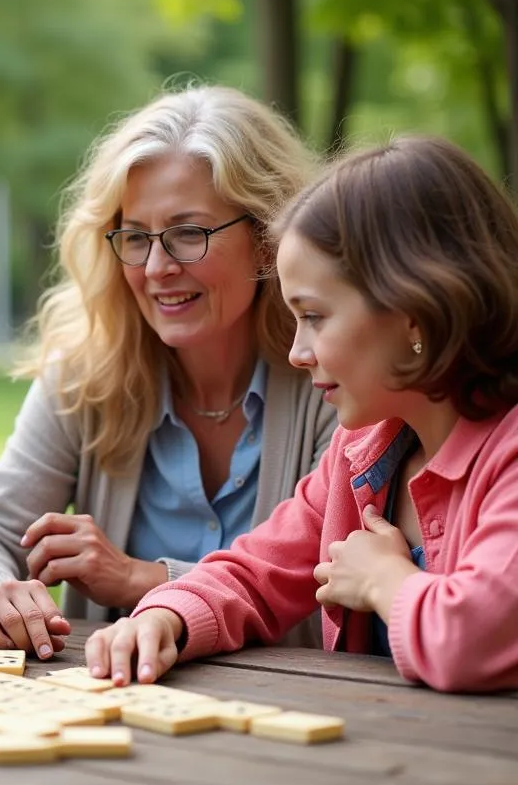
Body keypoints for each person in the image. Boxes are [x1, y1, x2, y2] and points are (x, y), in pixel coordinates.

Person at [86, 135, 518, 694]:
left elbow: (471, 638)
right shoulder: (365, 451)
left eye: (314, 316)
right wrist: (163, 617)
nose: (297, 351)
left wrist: (385, 579)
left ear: (416, 315)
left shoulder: (506, 456)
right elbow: (253, 574)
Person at [0, 86, 336, 658]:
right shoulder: (86, 374)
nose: (156, 267)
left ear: (268, 239)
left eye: (188, 233)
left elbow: (326, 597)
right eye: (135, 237)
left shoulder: (332, 382)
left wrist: (139, 579)